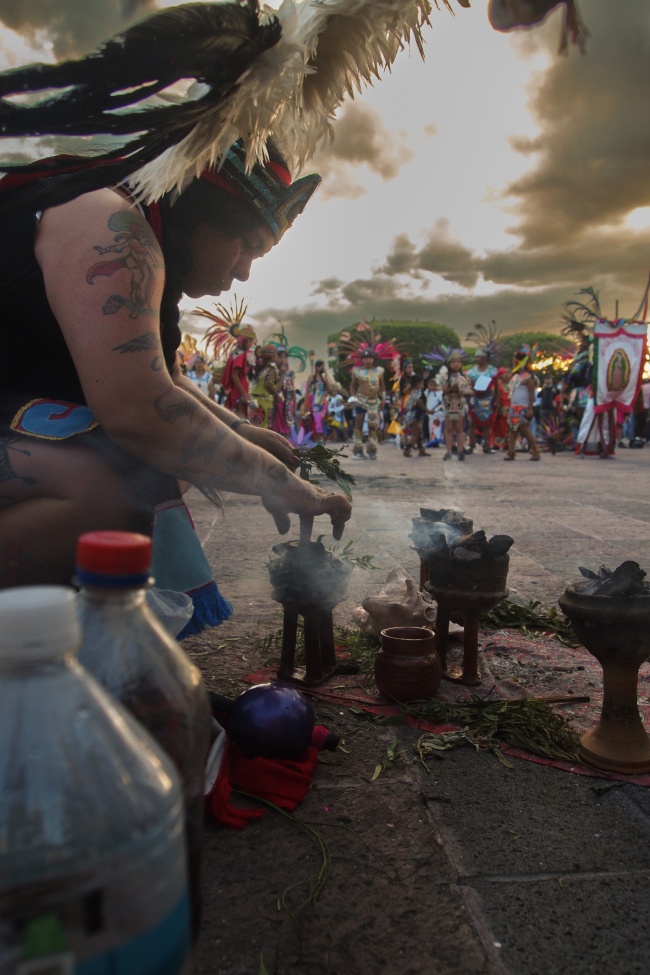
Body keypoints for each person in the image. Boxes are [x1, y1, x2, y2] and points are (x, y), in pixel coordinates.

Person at [0, 140, 351, 616]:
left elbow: (162, 375)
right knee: (113, 484)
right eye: (247, 244)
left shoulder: (143, 234)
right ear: (203, 211)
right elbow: (139, 409)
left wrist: (240, 430)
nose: (245, 272)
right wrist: (286, 487)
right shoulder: (109, 223)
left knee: (169, 462)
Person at [505, 347, 542, 461]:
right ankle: (511, 452)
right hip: (514, 408)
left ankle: (535, 450)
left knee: (525, 430)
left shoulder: (528, 378)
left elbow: (531, 394)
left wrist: (530, 408)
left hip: (523, 408)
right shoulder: (516, 377)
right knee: (513, 430)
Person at [349, 348, 386, 460]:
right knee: (359, 424)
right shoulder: (357, 371)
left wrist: (383, 399)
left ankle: (372, 450)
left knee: (373, 426)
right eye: (365, 358)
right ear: (362, 359)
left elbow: (382, 386)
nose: (367, 360)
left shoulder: (379, 371)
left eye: (370, 357)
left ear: (374, 359)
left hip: (374, 401)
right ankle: (357, 450)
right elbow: (352, 386)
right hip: (361, 400)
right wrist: (353, 397)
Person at [440, 352, 472, 461]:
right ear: (449, 364)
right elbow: (444, 390)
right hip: (448, 402)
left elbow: (467, 390)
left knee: (459, 428)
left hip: (459, 403)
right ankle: (449, 451)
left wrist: (464, 391)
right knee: (449, 428)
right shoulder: (445, 376)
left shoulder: (464, 377)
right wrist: (451, 387)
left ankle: (460, 450)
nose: (456, 364)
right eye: (453, 362)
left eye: (458, 362)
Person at [249, 344, 280, 429]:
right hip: (265, 402)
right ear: (272, 357)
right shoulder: (271, 369)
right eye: (276, 355)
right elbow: (268, 383)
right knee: (264, 428)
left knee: (253, 426)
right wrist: (276, 395)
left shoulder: (258, 367)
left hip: (254, 400)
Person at [401, 375, 429, 458]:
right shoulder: (418, 392)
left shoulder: (412, 392)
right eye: (422, 384)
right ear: (418, 384)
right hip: (417, 415)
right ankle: (407, 449)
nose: (423, 385)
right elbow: (420, 404)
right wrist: (428, 411)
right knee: (415, 434)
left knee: (418, 434)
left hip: (412, 415)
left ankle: (421, 450)